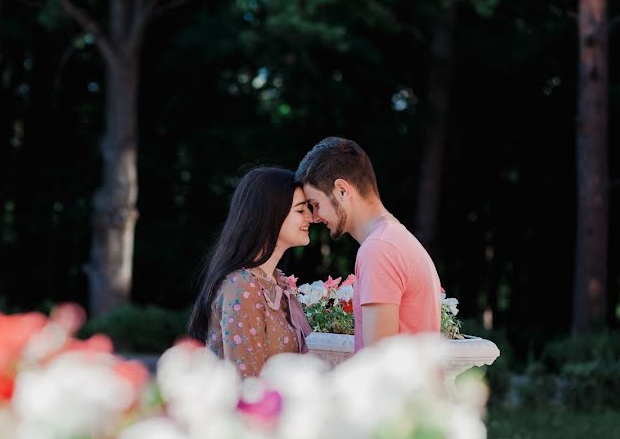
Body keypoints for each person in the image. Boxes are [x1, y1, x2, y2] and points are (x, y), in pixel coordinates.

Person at [295, 136, 441, 350]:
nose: (315, 217)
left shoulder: (379, 249)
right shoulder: (395, 240)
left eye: (315, 204)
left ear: (342, 190)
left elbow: (376, 365)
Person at [188, 166, 313, 376]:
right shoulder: (242, 285)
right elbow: (246, 382)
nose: (310, 217)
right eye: (301, 210)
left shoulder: (276, 283)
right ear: (270, 214)